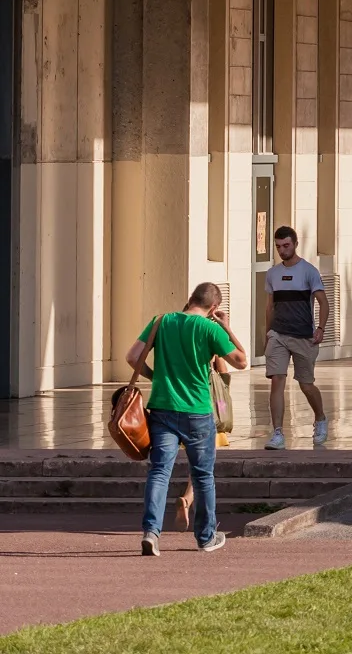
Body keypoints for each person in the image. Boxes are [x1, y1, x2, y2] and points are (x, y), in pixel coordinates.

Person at [126, 282, 250, 555]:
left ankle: (151, 533)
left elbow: (132, 356)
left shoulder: (162, 321)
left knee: (159, 472)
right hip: (197, 411)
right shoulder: (210, 328)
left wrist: (156, 376)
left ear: (190, 298)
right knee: (203, 475)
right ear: (214, 308)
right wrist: (226, 326)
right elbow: (241, 361)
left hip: (162, 408)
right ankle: (205, 537)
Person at [262, 226, 329, 450]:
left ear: (295, 244)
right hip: (278, 335)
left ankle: (320, 418)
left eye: (286, 245)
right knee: (277, 382)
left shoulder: (309, 271)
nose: (282, 250)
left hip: (303, 336)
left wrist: (320, 328)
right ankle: (278, 433)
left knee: (306, 384)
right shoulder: (272, 274)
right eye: (278, 246)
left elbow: (323, 302)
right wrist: (267, 333)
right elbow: (269, 307)